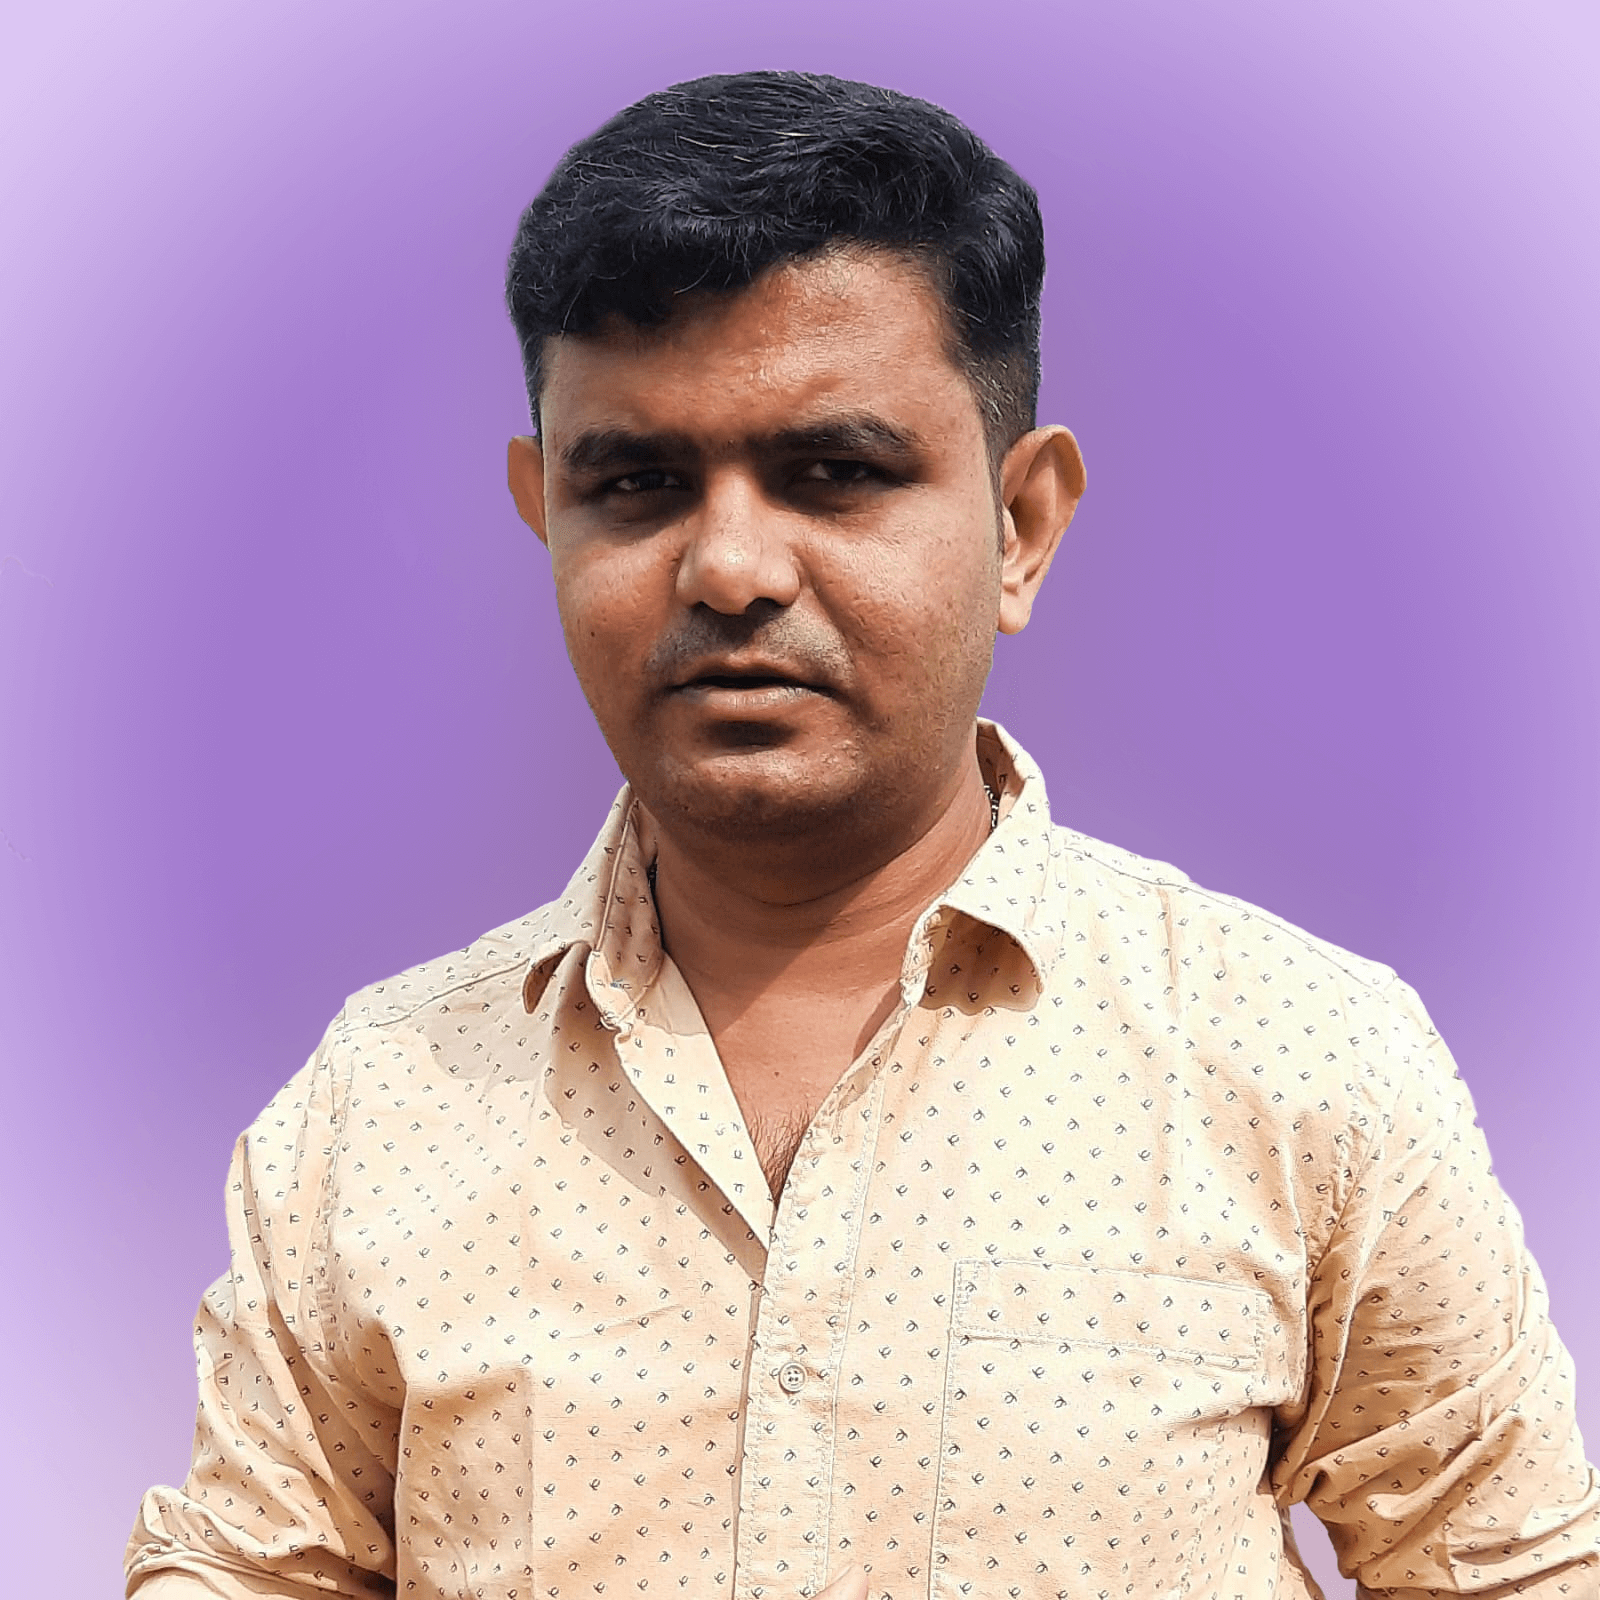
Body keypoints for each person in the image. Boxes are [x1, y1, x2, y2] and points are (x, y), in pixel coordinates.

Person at [126, 70, 1597, 1600]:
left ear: (1023, 523)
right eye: (635, 484)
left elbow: (1512, 1571)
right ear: (542, 511)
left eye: (834, 473)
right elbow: (241, 1571)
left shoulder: (1298, 1064)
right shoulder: (381, 1109)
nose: (730, 567)